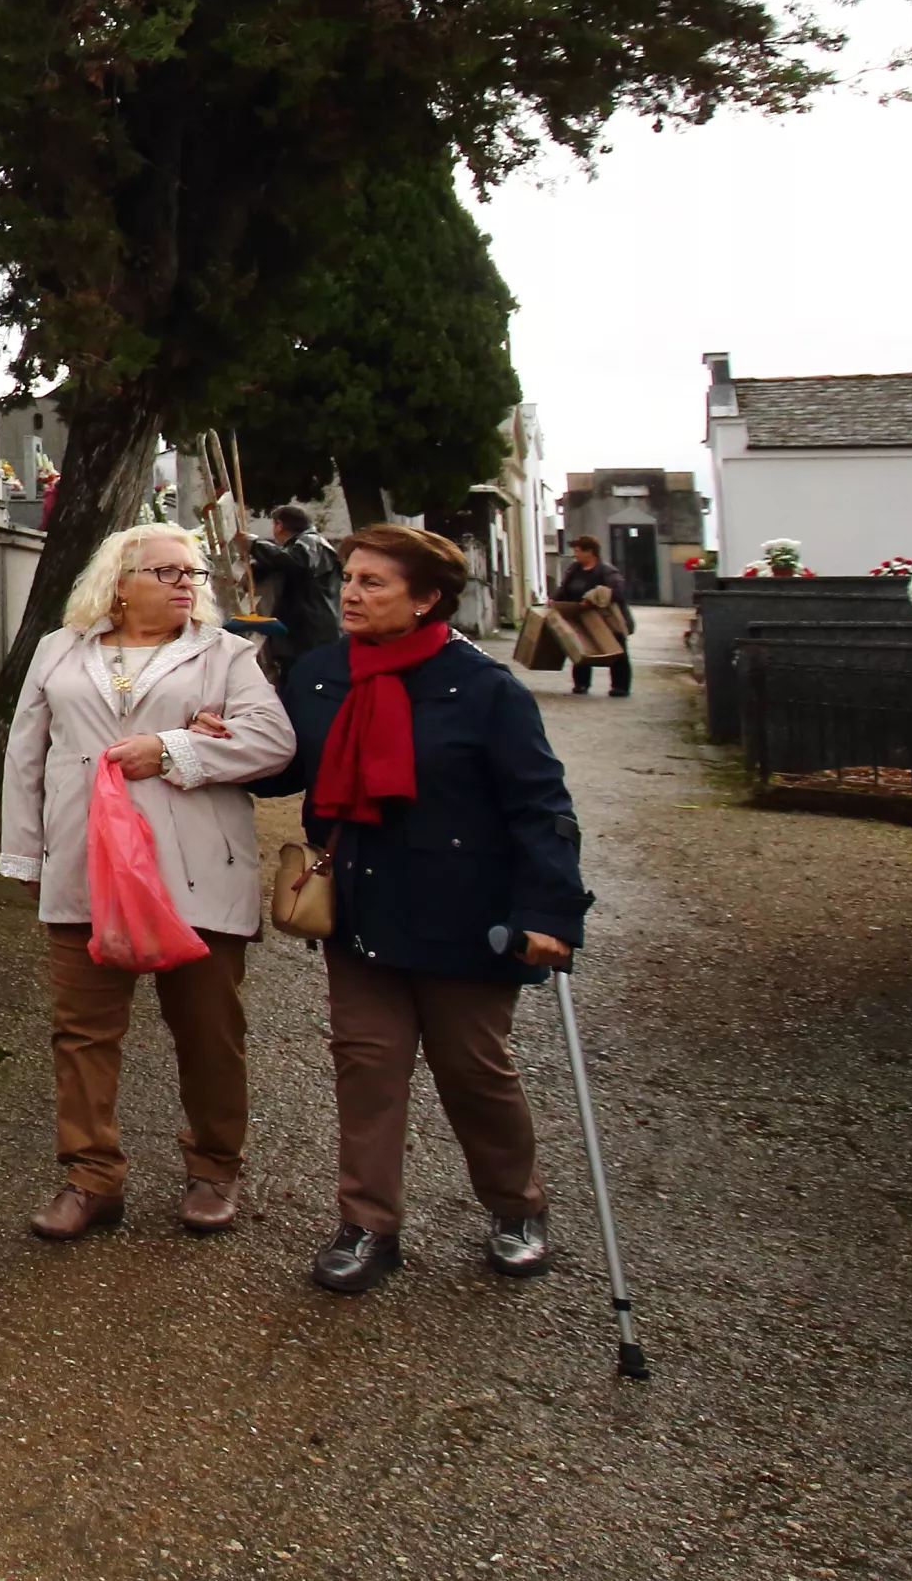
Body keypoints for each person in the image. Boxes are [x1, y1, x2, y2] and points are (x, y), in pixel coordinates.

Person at [282, 525, 593, 1295]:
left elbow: (540, 805)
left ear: (427, 599)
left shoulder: (485, 688)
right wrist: (212, 739)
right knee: (367, 1068)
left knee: (474, 1070)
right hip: (362, 907)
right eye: (349, 578)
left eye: (373, 583)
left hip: (465, 911)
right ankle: (367, 1224)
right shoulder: (322, 675)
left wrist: (550, 910)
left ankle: (516, 1207)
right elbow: (283, 763)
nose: (351, 593)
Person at [0, 523, 296, 1239]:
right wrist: (22, 855)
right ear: (119, 581)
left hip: (193, 871)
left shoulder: (226, 655)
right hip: (86, 865)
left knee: (208, 1030)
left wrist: (172, 748)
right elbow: (25, 753)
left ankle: (213, 1169)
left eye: (191, 572)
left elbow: (273, 740)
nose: (185, 582)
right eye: (166, 571)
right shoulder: (59, 650)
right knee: (82, 1032)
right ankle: (91, 1177)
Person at [249, 506, 343, 657]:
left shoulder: (311, 542)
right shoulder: (302, 545)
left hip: (312, 634)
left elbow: (296, 562)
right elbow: (280, 563)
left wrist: (254, 544)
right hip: (305, 633)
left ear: (279, 525)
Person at [551, 535, 635, 698]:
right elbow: (564, 589)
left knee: (617, 650)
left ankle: (620, 686)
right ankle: (581, 684)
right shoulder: (574, 569)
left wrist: (593, 599)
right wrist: (555, 600)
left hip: (605, 618)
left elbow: (617, 592)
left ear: (590, 552)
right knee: (580, 648)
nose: (575, 554)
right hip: (579, 614)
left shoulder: (607, 571)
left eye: (578, 551)